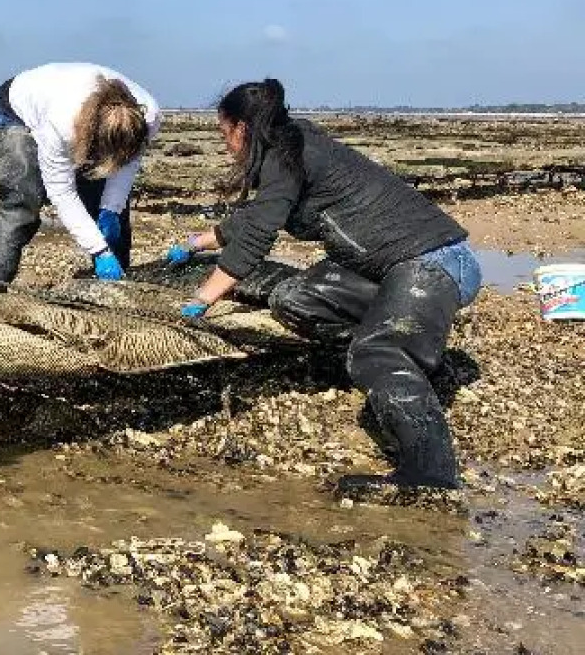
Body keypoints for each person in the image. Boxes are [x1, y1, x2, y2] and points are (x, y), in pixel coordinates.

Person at [165, 78, 482, 498]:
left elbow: (258, 236)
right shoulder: (291, 148)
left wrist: (201, 299)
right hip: (389, 270)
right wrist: (196, 244)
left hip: (433, 263)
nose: (226, 145)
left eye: (224, 134)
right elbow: (257, 216)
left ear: (242, 128)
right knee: (293, 297)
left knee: (377, 353)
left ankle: (432, 475)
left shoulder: (287, 155)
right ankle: (406, 352)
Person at [0, 62, 162, 294]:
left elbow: (127, 165)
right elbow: (61, 191)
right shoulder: (62, 124)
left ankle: (115, 291)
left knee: (109, 212)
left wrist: (111, 208)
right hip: (18, 112)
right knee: (21, 205)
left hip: (85, 119)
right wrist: (99, 250)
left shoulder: (148, 117)